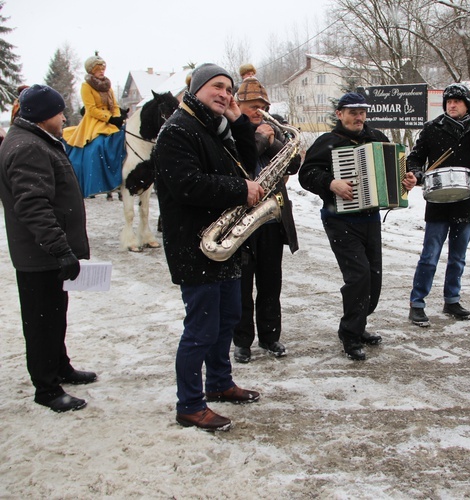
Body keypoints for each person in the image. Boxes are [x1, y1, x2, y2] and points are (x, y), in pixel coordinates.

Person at [152, 63, 264, 431]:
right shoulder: (177, 131)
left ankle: (219, 383)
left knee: (228, 319)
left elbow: (246, 168)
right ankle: (190, 405)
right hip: (195, 245)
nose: (225, 94)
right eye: (217, 86)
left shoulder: (215, 129)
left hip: (224, 243)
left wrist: (239, 124)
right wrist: (238, 191)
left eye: (229, 89)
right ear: (196, 89)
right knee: (200, 329)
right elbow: (187, 185)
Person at [0, 85, 97, 413]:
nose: (64, 117)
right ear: (44, 115)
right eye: (59, 112)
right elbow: (32, 206)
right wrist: (60, 249)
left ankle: (60, 366)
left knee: (54, 314)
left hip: (44, 254)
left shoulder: (33, 139)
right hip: (39, 256)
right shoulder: (28, 146)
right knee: (42, 321)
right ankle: (47, 388)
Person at [299, 92, 417, 361]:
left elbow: (399, 171)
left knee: (374, 279)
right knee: (359, 276)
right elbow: (307, 174)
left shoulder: (377, 138)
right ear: (339, 114)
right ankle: (350, 335)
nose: (359, 117)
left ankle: (359, 324)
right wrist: (331, 183)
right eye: (352, 112)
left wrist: (407, 180)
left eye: (362, 111)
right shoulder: (327, 142)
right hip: (339, 219)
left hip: (370, 218)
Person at [406, 83, 470, 327]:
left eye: (457, 101)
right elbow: (414, 159)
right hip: (438, 202)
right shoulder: (431, 129)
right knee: (430, 255)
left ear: (467, 104)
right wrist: (417, 173)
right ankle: (417, 303)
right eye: (448, 102)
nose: (452, 105)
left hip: (466, 202)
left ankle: (452, 299)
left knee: (458, 257)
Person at [232, 76, 300, 363]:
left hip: (271, 219)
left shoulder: (272, 128)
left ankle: (270, 337)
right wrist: (260, 138)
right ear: (239, 104)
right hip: (243, 220)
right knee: (242, 287)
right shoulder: (231, 131)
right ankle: (242, 342)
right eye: (252, 105)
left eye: (262, 105)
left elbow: (293, 164)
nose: (258, 110)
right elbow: (240, 164)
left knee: (271, 284)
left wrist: (272, 140)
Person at [62, 52, 126, 198]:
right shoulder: (86, 86)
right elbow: (91, 109)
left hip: (111, 121)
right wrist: (109, 118)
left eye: (103, 68)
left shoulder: (108, 86)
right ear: (92, 70)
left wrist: (117, 118)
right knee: (97, 145)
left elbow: (115, 105)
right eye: (99, 68)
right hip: (94, 122)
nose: (102, 71)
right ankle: (98, 179)